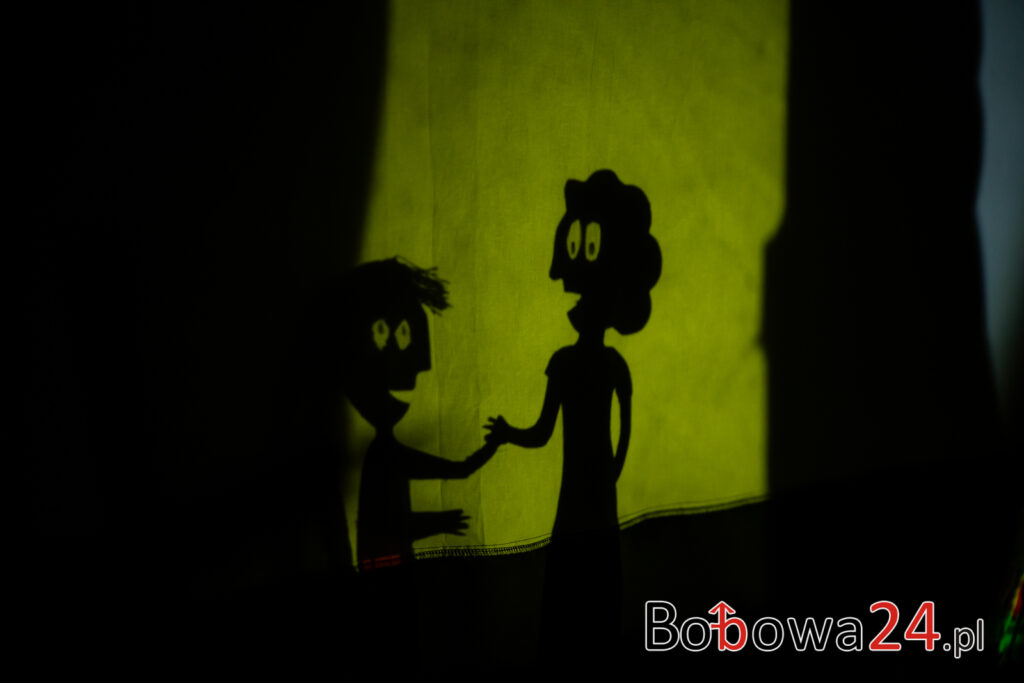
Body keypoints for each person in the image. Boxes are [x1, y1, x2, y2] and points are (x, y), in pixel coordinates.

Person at [484, 169, 661, 659]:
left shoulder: (581, 364)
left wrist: (510, 434)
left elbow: (550, 432)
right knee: (593, 572)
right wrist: (612, 470)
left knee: (581, 572)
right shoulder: (592, 364)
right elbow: (597, 431)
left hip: (590, 488)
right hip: (594, 487)